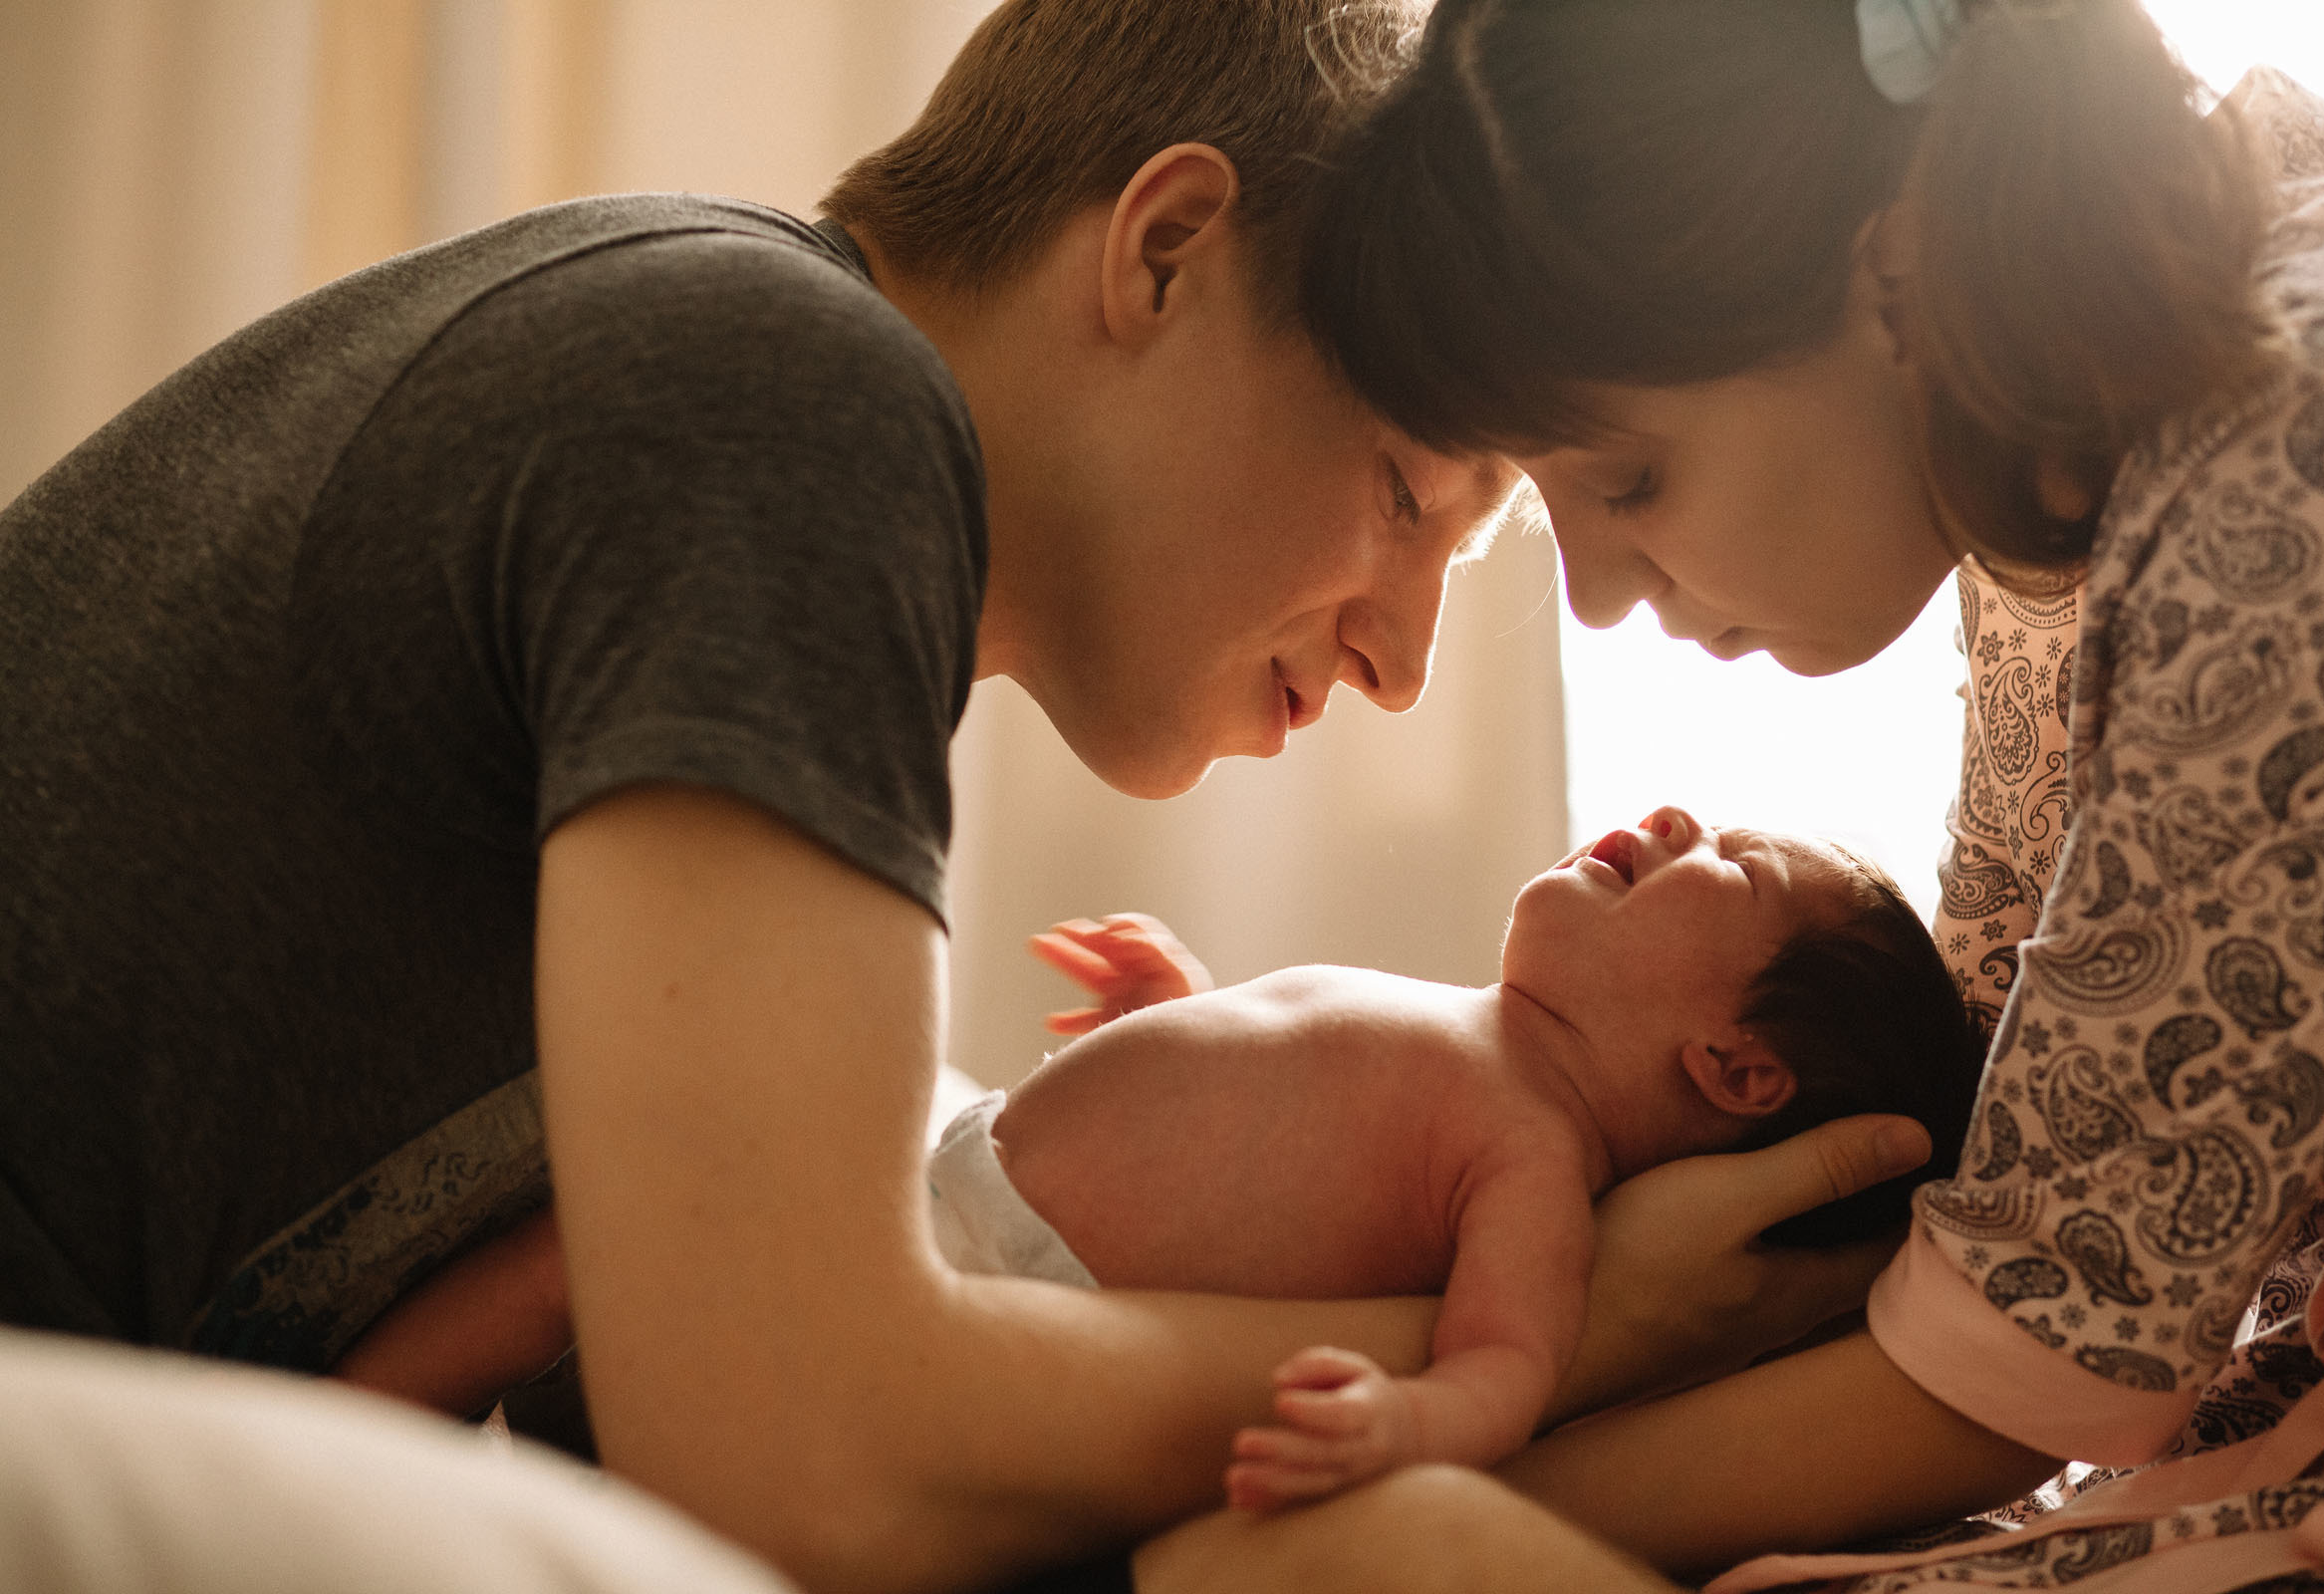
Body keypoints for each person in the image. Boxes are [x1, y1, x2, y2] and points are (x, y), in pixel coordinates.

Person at [0, 0, 1936, 1588]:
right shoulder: (784, 405)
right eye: (1407, 495)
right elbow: (806, 1458)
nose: (1401, 660)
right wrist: (1570, 1335)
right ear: (1163, 252)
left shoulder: (728, 363)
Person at [1176, 0, 2324, 1589]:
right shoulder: (2078, 425)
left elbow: (2037, 1355)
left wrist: (1356, 1512)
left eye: (1630, 479)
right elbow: (2013, 1137)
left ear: (1897, 274)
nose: (1596, 597)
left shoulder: (2299, 468)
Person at [937, 809, 1980, 1510]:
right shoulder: (1481, 1035)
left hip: (1025, 1298)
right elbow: (1276, 1147)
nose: (1673, 820)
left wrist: (1403, 1422)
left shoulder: (1531, 1159)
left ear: (1738, 1069)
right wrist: (1173, 1012)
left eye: (1736, 866)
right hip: (968, 1194)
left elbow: (1508, 1368)